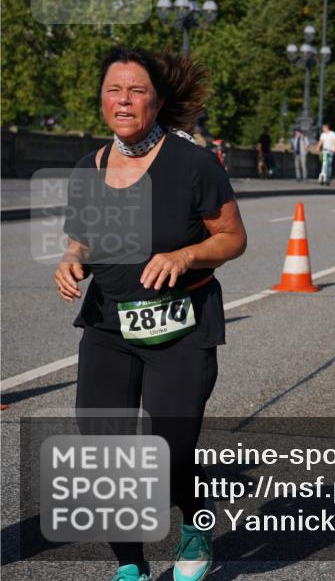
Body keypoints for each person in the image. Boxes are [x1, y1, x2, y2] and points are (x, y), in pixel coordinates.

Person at [54, 47, 247, 581]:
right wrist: (72, 261)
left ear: (157, 101)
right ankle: (131, 565)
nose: (123, 100)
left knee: (172, 451)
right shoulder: (89, 168)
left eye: (136, 90)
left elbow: (233, 238)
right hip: (108, 327)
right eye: (114, 89)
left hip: (180, 327)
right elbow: (86, 242)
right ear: (101, 99)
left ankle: (195, 529)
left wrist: (184, 255)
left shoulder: (193, 165)